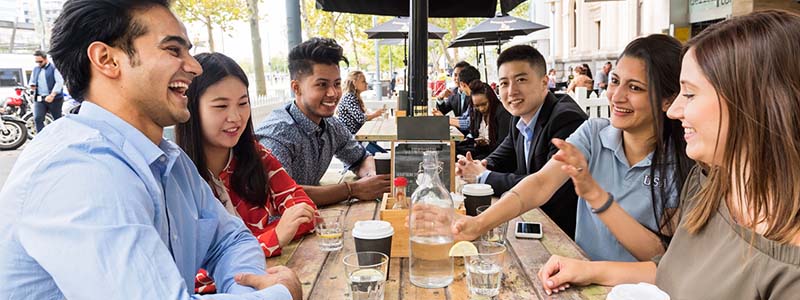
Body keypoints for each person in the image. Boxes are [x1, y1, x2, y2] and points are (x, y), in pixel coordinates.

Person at [0, 0, 301, 299]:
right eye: (173, 50)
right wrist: (276, 296)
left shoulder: (169, 160)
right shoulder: (80, 171)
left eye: (189, 52)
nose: (194, 67)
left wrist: (246, 290)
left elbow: (231, 240)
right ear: (107, 59)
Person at [536, 10, 800, 298]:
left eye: (689, 94)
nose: (674, 111)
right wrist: (587, 270)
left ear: (751, 105)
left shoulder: (788, 271)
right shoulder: (706, 186)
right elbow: (670, 269)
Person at [455, 34, 692, 263]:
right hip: (578, 277)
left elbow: (661, 257)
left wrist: (596, 196)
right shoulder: (593, 132)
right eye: (615, 81)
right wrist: (479, 224)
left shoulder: (683, 161)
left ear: (668, 100)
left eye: (635, 88)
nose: (617, 96)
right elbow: (540, 183)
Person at [174, 53, 318, 293]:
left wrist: (266, 239)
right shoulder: (177, 176)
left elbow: (305, 210)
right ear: (190, 108)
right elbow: (194, 276)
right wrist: (273, 238)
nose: (236, 117)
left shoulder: (256, 155)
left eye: (243, 103)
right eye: (221, 106)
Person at [455, 45, 587, 238]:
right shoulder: (519, 117)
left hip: (565, 234)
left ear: (544, 82)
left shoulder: (566, 119)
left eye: (521, 80)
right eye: (504, 83)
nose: (512, 91)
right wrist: (476, 166)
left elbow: (545, 185)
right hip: (533, 220)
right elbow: (501, 156)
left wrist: (483, 176)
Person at [255, 38, 390, 207]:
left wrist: (372, 176)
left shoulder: (331, 125)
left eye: (337, 84)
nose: (333, 93)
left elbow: (360, 158)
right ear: (296, 88)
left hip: (310, 221)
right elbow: (281, 194)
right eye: (322, 85)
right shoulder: (278, 134)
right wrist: (352, 190)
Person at [456, 80, 512, 160]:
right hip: (483, 151)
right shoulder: (477, 113)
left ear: (491, 99)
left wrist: (487, 143)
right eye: (477, 106)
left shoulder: (502, 114)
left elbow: (503, 145)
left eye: (484, 104)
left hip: (496, 156)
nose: (481, 109)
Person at [336, 70, 386, 154]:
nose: (366, 83)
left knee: (380, 154)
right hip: (352, 142)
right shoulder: (349, 97)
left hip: (357, 139)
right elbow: (361, 118)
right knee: (382, 156)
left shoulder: (353, 97)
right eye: (363, 81)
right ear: (354, 83)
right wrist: (376, 114)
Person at [29, 50, 64, 133]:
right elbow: (32, 81)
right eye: (36, 62)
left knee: (57, 119)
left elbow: (59, 82)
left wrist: (52, 95)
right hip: (39, 98)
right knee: (38, 118)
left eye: (40, 61)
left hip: (54, 98)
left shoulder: (54, 68)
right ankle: (41, 138)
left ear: (45, 59)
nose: (38, 64)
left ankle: (60, 137)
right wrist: (32, 86)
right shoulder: (36, 69)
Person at [433, 61, 472, 133]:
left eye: (460, 75)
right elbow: (442, 112)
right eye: (455, 75)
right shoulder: (453, 92)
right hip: (458, 132)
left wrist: (445, 119)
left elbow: (468, 122)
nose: (457, 78)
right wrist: (440, 98)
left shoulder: (474, 94)